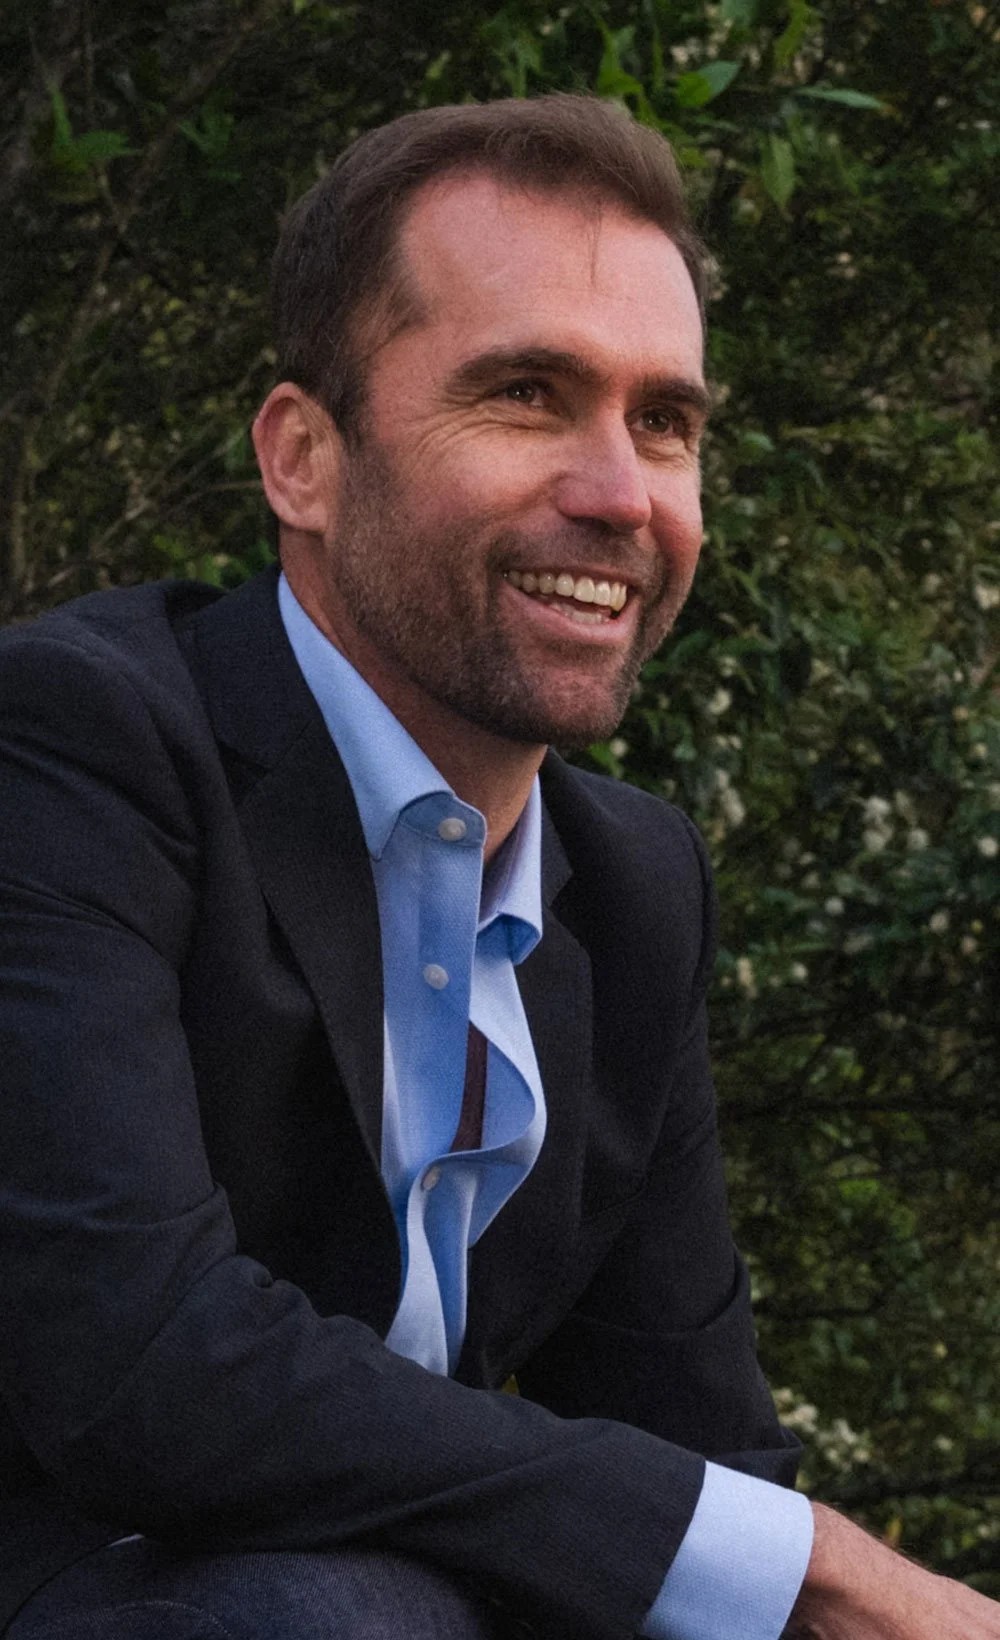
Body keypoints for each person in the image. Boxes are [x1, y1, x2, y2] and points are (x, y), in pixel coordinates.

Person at [0, 93, 996, 1640]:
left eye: (665, 423)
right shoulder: (75, 747)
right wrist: (808, 1558)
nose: (622, 494)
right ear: (304, 459)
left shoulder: (634, 885)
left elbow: (695, 1458)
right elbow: (144, 1370)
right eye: (527, 395)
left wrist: (813, 1578)